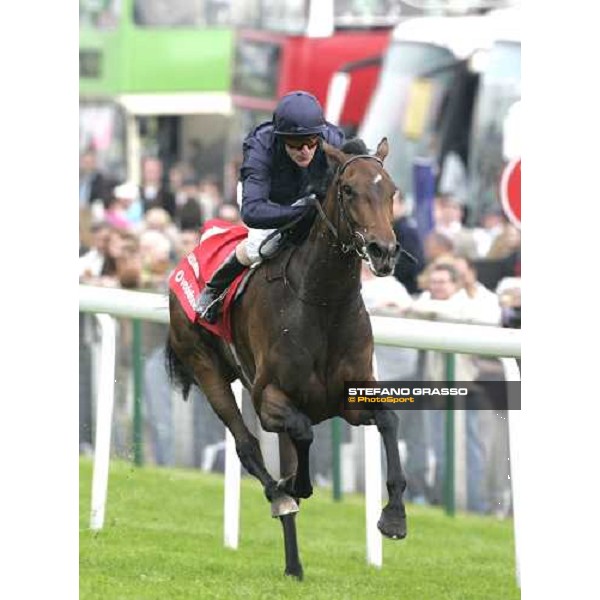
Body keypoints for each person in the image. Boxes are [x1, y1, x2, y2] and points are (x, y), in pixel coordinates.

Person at [196, 90, 345, 323]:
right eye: (296, 143)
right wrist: (303, 213)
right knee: (260, 247)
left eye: (311, 141)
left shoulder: (334, 141)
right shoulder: (261, 147)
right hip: (266, 200)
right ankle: (214, 289)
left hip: (311, 197)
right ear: (281, 138)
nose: (305, 150)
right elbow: (252, 212)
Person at [391, 190, 424, 296]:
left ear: (402, 206)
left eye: (391, 202)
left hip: (404, 292)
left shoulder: (406, 231)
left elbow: (407, 265)